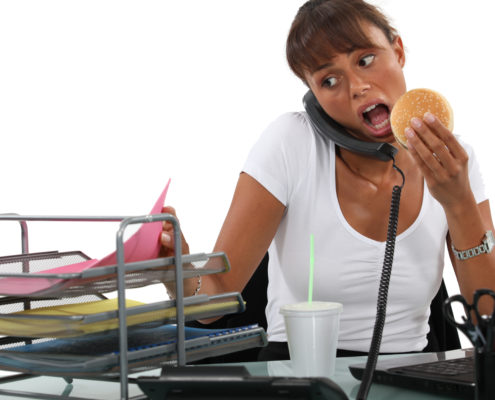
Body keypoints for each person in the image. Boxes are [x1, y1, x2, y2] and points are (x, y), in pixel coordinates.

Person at [161, 0, 495, 360]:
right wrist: (178, 271)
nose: (357, 87)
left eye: (366, 59)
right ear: (313, 94)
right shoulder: (291, 143)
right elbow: (217, 297)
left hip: (412, 375)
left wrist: (458, 202)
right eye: (329, 80)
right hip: (300, 372)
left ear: (397, 51)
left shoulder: (455, 160)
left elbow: (487, 317)